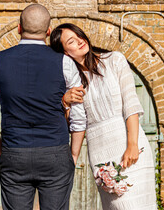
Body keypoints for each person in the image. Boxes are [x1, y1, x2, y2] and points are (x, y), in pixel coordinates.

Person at [0, 5, 86, 210]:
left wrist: (0, 152)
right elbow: (79, 115)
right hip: (56, 153)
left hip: (14, 152)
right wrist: (73, 155)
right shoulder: (64, 62)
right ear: (48, 32)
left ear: (18, 28)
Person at [50, 23, 157, 210]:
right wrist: (65, 102)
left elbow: (131, 104)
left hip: (130, 143)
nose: (80, 41)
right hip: (100, 152)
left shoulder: (115, 60)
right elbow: (73, 124)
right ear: (65, 53)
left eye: (79, 35)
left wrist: (132, 144)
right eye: (71, 41)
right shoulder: (70, 81)